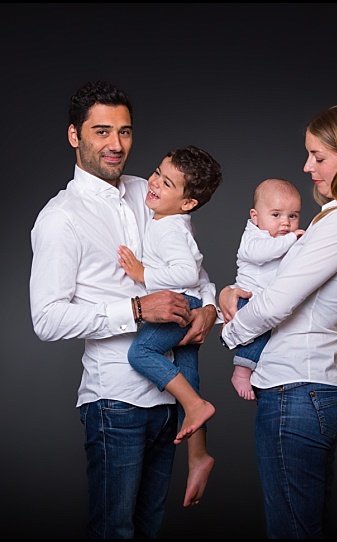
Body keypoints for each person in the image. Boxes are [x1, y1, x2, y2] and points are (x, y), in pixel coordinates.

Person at [29, 80, 220, 538]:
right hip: (116, 401)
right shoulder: (60, 218)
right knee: (115, 531)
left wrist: (209, 308)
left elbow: (191, 272)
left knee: (150, 528)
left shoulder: (150, 191)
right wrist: (136, 308)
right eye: (101, 131)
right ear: (74, 136)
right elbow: (47, 319)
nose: (116, 145)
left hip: (168, 400)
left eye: (125, 131)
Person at [218, 104, 337, 538]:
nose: (307, 167)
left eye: (319, 157)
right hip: (306, 389)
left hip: (297, 392)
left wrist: (229, 329)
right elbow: (269, 285)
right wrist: (227, 294)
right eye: (309, 155)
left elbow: (277, 302)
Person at [119, 145, 223, 448]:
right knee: (187, 367)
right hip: (191, 302)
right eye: (157, 173)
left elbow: (187, 273)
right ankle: (197, 454)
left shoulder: (169, 228)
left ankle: (194, 406)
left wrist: (142, 275)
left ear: (188, 202)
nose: (153, 183)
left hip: (178, 303)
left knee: (141, 353)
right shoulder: (173, 219)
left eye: (167, 183)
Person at [230, 178, 305, 400]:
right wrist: (292, 238)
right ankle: (241, 372)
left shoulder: (284, 241)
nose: (285, 223)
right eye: (276, 215)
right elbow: (261, 253)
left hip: (266, 302)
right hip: (249, 300)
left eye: (293, 216)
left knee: (270, 339)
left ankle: (252, 370)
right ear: (255, 217)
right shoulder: (254, 237)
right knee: (260, 336)